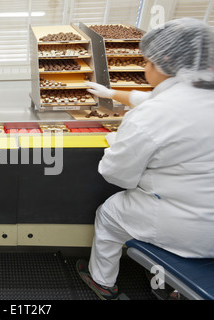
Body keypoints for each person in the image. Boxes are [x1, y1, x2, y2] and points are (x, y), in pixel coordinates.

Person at [77, 17, 214, 300]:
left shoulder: (151, 116)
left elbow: (117, 175)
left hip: (185, 227)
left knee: (109, 213)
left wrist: (116, 144)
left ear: (162, 63)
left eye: (146, 61)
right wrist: (111, 93)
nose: (144, 66)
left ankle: (103, 281)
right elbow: (161, 100)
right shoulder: (196, 94)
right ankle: (175, 289)